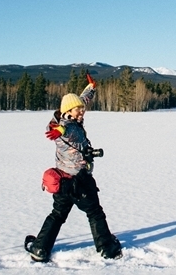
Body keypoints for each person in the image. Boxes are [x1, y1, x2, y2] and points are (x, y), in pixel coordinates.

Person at [25, 74, 122, 262]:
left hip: (64, 182)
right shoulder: (68, 127)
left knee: (57, 214)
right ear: (69, 111)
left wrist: (91, 88)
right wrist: (60, 130)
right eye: (78, 110)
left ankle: (39, 249)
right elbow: (65, 130)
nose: (82, 112)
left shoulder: (70, 116)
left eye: (82, 109)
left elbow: (81, 101)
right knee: (94, 212)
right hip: (80, 181)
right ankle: (108, 249)